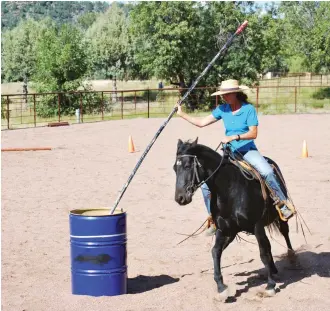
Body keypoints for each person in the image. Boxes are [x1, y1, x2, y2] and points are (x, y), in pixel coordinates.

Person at [176, 79, 294, 235]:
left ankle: (282, 205)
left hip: (247, 151)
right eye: (223, 95)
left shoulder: (248, 109)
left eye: (227, 94)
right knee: (205, 185)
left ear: (235, 94)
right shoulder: (222, 109)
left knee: (267, 171)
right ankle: (213, 217)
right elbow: (202, 122)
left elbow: (253, 133)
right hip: (229, 153)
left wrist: (234, 137)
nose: (224, 97)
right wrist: (181, 114)